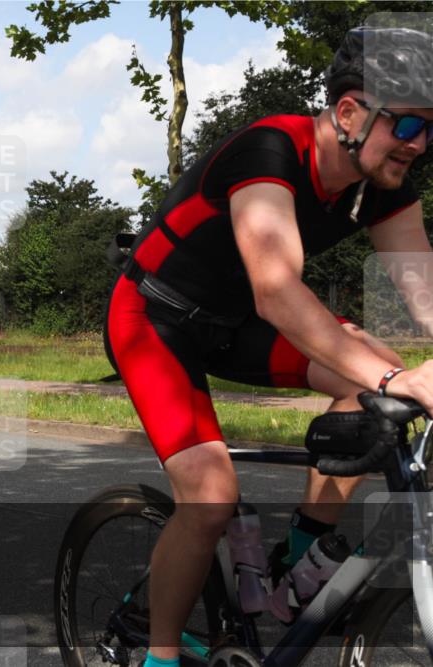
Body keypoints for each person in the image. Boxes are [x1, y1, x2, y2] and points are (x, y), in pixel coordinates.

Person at [103, 26, 433, 667]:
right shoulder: (268, 152)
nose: (421, 146)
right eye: (411, 126)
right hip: (154, 315)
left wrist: (393, 375)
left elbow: (423, 287)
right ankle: (160, 657)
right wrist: (399, 381)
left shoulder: (383, 182)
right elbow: (278, 291)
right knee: (209, 495)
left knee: (369, 370)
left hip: (234, 324)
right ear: (349, 113)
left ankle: (298, 555)